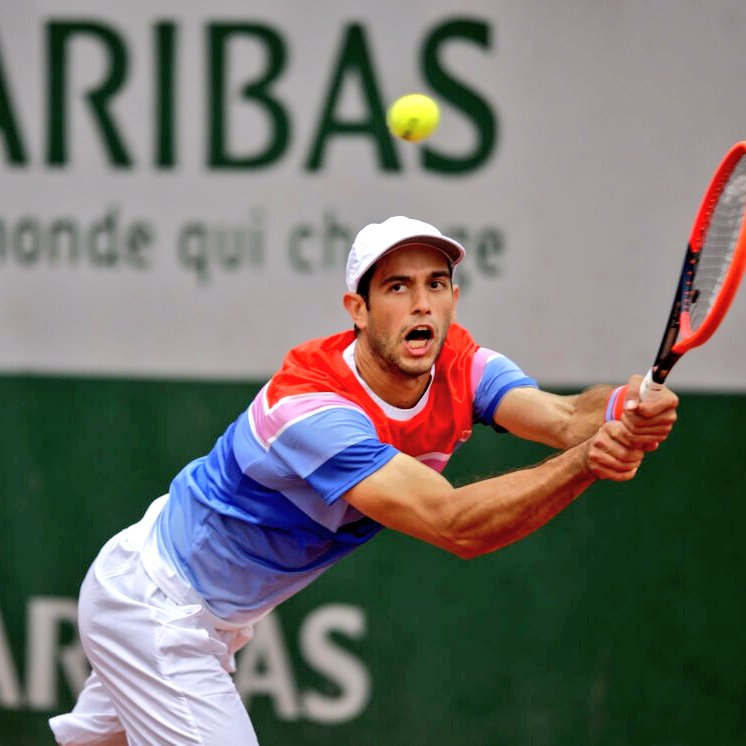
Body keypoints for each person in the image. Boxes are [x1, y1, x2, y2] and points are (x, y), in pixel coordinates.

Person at [50, 215, 678, 745]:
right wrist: (592, 458)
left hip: (203, 605)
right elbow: (455, 524)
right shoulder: (310, 409)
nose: (422, 302)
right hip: (159, 604)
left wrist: (630, 404)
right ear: (358, 308)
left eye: (437, 284)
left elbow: (567, 417)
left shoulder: (462, 362)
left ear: (455, 299)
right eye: (398, 287)